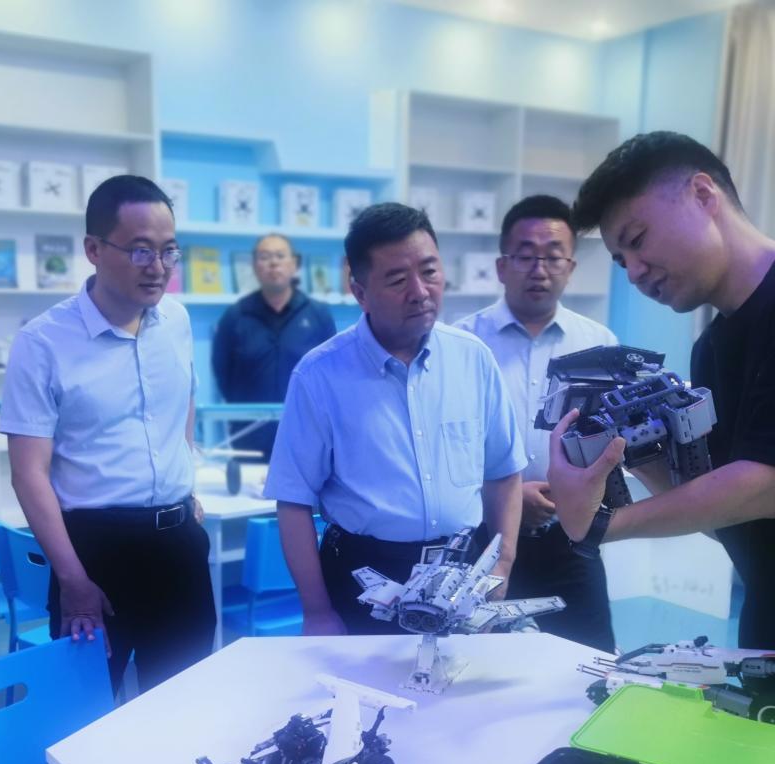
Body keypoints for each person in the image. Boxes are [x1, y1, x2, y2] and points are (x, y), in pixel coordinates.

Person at [548, 131, 775, 649]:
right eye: (620, 259)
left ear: (703, 194)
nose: (633, 272)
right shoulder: (710, 349)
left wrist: (603, 524)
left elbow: (764, 485)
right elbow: (730, 516)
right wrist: (637, 456)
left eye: (638, 239)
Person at [264, 202, 526, 635]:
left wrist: (504, 562)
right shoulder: (319, 375)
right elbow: (293, 501)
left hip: (462, 575)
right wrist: (317, 610)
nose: (420, 291)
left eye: (430, 271)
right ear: (360, 292)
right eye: (398, 280)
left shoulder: (473, 359)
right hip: (363, 576)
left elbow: (503, 471)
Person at [0, 174, 215, 693]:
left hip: (178, 546)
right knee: (83, 713)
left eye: (169, 251)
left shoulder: (177, 321)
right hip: (94, 554)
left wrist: (183, 474)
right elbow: (28, 473)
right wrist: (72, 579)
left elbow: (183, 396)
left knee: (186, 707)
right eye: (141, 251)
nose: (158, 267)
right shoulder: (42, 343)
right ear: (94, 250)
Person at [455, 195, 617, 652]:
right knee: (480, 665)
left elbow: (611, 442)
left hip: (571, 539)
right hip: (483, 542)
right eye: (525, 256)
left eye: (553, 256)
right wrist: (505, 498)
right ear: (501, 266)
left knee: (590, 658)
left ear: (571, 267)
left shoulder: (600, 346)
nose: (539, 269)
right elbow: (445, 452)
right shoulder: (461, 344)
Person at [211, 233, 335, 460]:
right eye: (265, 257)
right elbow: (222, 373)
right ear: (254, 266)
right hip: (249, 435)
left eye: (280, 256)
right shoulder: (235, 316)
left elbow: (331, 372)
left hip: (306, 434)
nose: (273, 263)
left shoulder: (318, 315)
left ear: (294, 264)